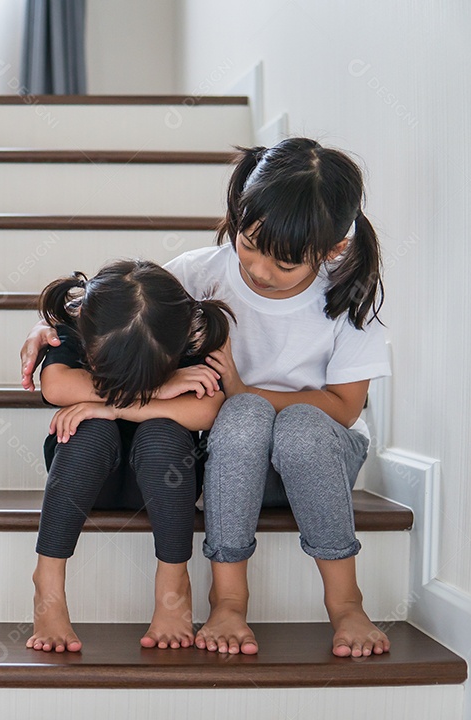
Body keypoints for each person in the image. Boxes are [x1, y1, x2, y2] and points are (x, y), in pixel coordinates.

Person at [20, 138, 390, 659]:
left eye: (285, 264)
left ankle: (346, 603)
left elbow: (345, 408)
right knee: (239, 418)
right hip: (227, 461)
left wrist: (241, 390)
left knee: (283, 421)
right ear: (238, 214)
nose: (260, 270)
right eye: (250, 243)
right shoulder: (198, 273)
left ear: (332, 249)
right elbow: (123, 314)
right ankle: (228, 602)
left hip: (313, 461)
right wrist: (53, 329)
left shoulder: (346, 299)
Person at [26, 259, 232, 653]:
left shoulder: (187, 336)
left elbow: (206, 410)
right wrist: (154, 392)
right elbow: (56, 386)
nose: (126, 384)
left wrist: (110, 405)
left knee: (163, 432)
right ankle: (47, 583)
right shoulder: (79, 325)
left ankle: (174, 582)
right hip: (90, 481)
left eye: (147, 376)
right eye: (107, 372)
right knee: (90, 429)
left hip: (163, 483)